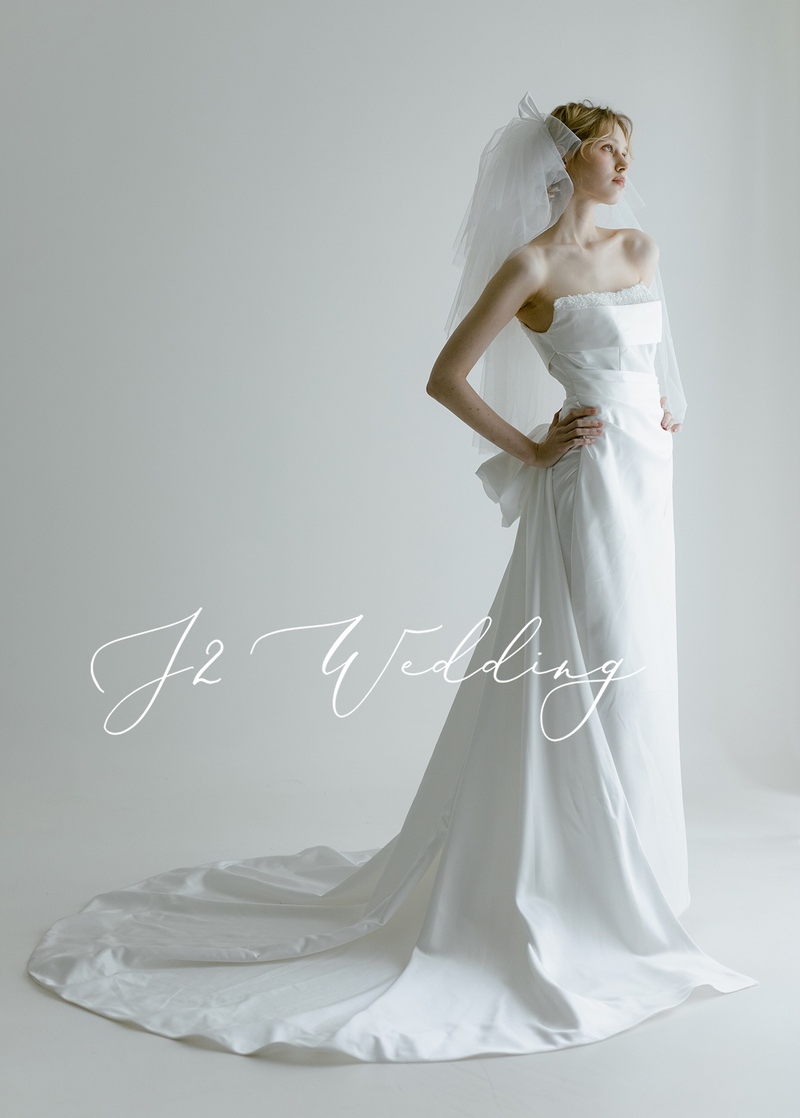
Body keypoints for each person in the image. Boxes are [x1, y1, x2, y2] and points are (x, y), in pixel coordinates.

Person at [26, 93, 757, 1064]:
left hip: (646, 482)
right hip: (584, 487)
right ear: (564, 161)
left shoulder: (639, 249)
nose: (623, 165)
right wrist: (532, 449)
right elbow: (446, 376)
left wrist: (660, 411)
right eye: (606, 151)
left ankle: (638, 883)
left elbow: (659, 368)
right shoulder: (530, 267)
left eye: (628, 151)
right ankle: (573, 887)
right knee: (590, 667)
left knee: (640, 665)